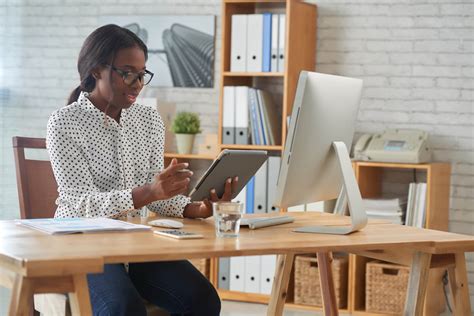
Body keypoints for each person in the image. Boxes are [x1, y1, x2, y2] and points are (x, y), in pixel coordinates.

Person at [46, 24, 234, 316]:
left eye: (142, 73)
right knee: (124, 308)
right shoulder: (64, 123)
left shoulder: (148, 120)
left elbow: (155, 195)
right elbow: (79, 205)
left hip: (136, 245)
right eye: (127, 72)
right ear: (96, 70)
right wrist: (146, 192)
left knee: (203, 299)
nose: (137, 83)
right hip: (82, 245)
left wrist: (198, 208)